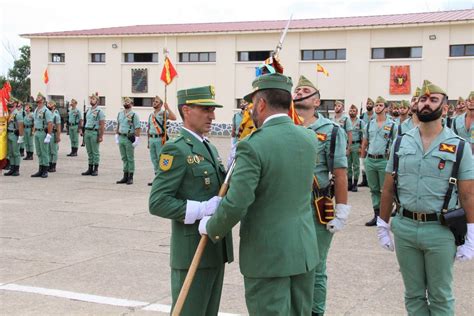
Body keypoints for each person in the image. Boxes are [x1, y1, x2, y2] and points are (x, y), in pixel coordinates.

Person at [200, 74, 319, 315]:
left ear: (261, 104)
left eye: (253, 103)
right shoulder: (309, 138)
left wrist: (211, 226)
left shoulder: (253, 145)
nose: (251, 109)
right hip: (304, 251)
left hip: (268, 256)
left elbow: (237, 202)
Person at [377, 80, 474, 315]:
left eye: (433, 100)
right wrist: (382, 223)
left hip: (440, 231)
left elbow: (467, 194)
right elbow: (388, 188)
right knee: (413, 294)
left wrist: (470, 233)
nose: (426, 103)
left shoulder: (459, 146)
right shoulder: (402, 141)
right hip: (406, 227)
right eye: (422, 99)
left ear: (446, 107)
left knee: (440, 296)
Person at [149, 85, 233, 316]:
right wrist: (202, 209)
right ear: (186, 110)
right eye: (206, 109)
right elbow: (157, 202)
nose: (212, 115)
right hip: (191, 249)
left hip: (215, 248)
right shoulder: (176, 150)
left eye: (213, 109)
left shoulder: (210, 147)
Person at [293, 75, 350, 316]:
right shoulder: (284, 124)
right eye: (296, 90)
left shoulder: (332, 130)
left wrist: (342, 210)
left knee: (315, 267)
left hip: (315, 206)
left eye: (305, 90)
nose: (298, 93)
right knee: (292, 266)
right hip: (286, 205)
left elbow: (340, 172)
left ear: (316, 101)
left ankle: (315, 312)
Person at [360, 96, 397, 226]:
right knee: (373, 189)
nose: (377, 107)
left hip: (384, 161)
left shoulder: (392, 125)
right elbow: (365, 142)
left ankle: (384, 215)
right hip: (370, 159)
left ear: (386, 108)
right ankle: (376, 215)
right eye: (376, 105)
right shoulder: (370, 123)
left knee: (386, 190)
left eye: (381, 105)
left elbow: (396, 144)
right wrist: (362, 160)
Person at [147, 95, 177, 186]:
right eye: (154, 101)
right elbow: (149, 128)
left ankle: (164, 179)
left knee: (162, 159)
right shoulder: (151, 115)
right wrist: (148, 141)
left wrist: (167, 108)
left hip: (160, 139)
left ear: (160, 104)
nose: (154, 103)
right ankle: (157, 178)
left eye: (156, 102)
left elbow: (173, 117)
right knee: (154, 159)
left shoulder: (163, 113)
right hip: (152, 139)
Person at [115, 97, 141, 185]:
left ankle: (130, 177)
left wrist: (137, 139)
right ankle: (125, 176)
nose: (126, 103)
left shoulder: (134, 115)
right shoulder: (120, 114)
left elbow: (137, 127)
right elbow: (118, 125)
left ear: (132, 104)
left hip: (129, 138)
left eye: (128, 102)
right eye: (124, 101)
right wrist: (116, 135)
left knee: (130, 158)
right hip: (121, 137)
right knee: (124, 158)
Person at [81, 93, 105, 176]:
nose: (91, 100)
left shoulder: (100, 111)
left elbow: (102, 124)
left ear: (97, 101)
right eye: (91, 99)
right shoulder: (88, 110)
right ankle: (90, 168)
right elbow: (86, 122)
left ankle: (95, 169)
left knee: (95, 152)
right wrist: (83, 131)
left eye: (93, 99)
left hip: (94, 132)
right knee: (89, 151)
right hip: (87, 132)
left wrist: (101, 136)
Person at [31, 93, 53, 178]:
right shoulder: (36, 109)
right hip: (37, 132)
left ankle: (45, 170)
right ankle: (40, 169)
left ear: (43, 100)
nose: (37, 99)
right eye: (37, 97)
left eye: (39, 97)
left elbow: (50, 123)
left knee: (44, 152)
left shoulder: (46, 110)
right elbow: (35, 121)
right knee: (39, 152)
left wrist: (48, 135)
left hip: (43, 132)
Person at [4, 100, 24, 176]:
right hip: (9, 134)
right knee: (10, 153)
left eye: (11, 106)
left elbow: (21, 126)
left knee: (16, 153)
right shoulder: (9, 114)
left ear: (15, 106)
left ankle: (16, 169)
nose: (10, 108)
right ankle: (12, 168)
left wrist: (21, 136)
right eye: (9, 107)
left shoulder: (17, 114)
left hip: (15, 135)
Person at [348, 104, 365, 192]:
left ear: (357, 112)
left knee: (356, 165)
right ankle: (349, 183)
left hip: (356, 145)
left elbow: (363, 136)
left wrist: (361, 148)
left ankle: (355, 184)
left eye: (354, 111)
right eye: (351, 111)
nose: (352, 112)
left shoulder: (361, 122)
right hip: (348, 145)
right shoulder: (346, 121)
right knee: (348, 165)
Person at [359, 97, 375, 187]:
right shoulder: (362, 116)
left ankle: (370, 179)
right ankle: (364, 179)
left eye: (370, 104)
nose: (368, 105)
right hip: (364, 139)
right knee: (363, 159)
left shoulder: (376, 115)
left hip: (372, 140)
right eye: (367, 104)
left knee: (371, 160)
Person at [47, 100, 61, 172]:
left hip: (53, 133)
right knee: (48, 150)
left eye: (50, 104)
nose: (49, 105)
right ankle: (49, 164)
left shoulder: (56, 115)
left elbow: (58, 127)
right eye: (48, 104)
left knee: (54, 151)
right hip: (47, 134)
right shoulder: (47, 114)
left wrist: (58, 136)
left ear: (54, 107)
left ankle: (53, 165)